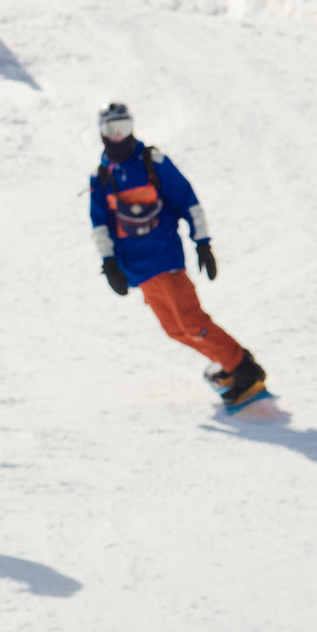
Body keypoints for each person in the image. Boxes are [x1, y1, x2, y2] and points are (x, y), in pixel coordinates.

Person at [88, 102, 267, 408]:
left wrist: (203, 243)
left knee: (190, 320)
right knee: (175, 329)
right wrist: (108, 263)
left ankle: (243, 369)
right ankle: (228, 362)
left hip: (165, 258)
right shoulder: (102, 176)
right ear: (102, 134)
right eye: (111, 131)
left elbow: (188, 201)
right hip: (137, 269)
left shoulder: (151, 162)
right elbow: (100, 224)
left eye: (124, 129)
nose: (119, 138)